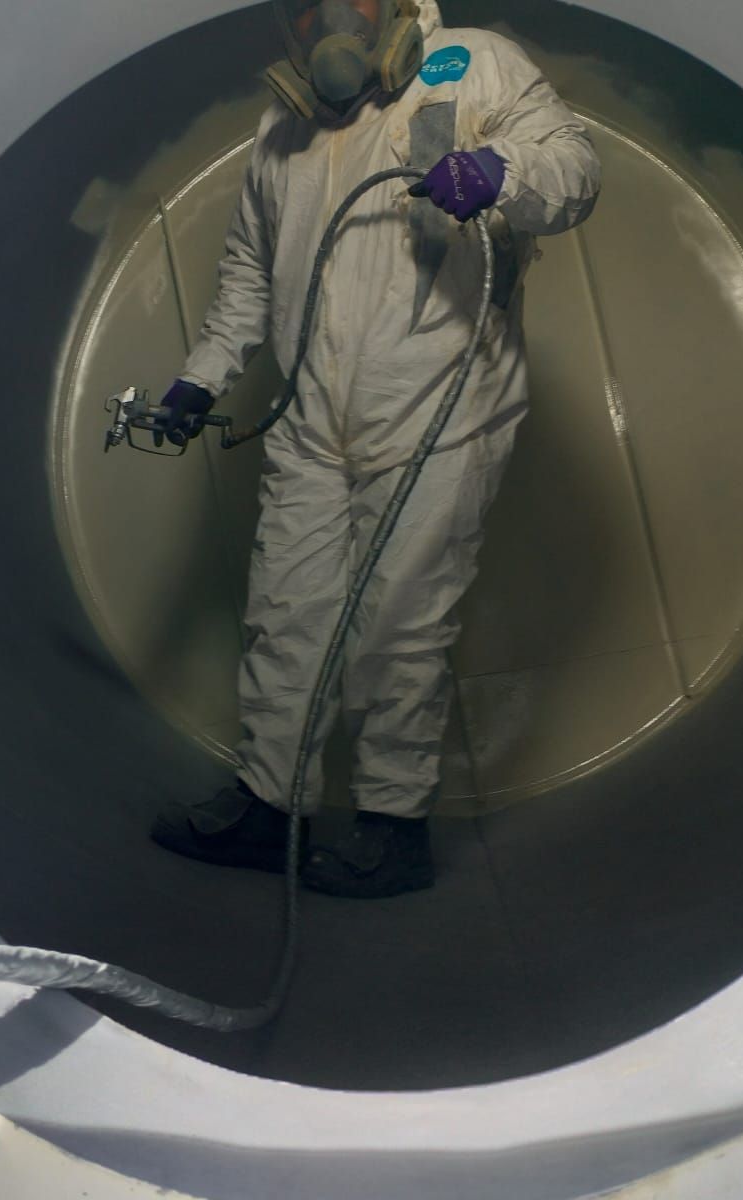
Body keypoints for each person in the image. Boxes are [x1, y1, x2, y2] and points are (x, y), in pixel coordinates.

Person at [151, 0, 600, 898]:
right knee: (287, 612)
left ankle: (392, 830)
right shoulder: (282, 130)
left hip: (443, 402)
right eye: (308, 6)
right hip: (313, 417)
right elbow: (249, 271)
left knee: (401, 622)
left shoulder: (472, 61)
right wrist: (201, 377)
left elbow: (576, 168)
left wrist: (501, 172)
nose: (332, 18)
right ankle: (268, 807)